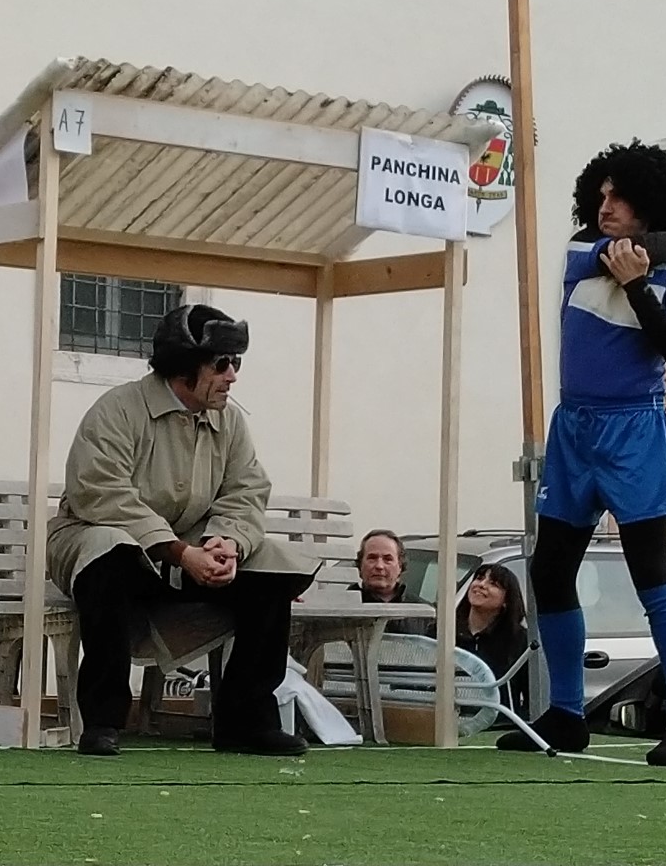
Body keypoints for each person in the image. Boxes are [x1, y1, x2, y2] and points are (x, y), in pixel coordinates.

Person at [497, 140, 666, 767]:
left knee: (650, 571)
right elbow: (621, 253)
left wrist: (641, 287)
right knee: (549, 572)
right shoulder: (585, 248)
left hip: (634, 428)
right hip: (574, 427)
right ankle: (567, 712)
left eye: (619, 197)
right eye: (600, 195)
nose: (605, 207)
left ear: (648, 202)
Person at [48, 304, 319, 757]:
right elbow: (101, 493)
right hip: (96, 540)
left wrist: (226, 543)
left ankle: (245, 723)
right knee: (110, 549)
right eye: (222, 364)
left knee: (273, 566)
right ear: (183, 367)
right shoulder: (117, 409)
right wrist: (177, 552)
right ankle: (103, 722)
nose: (233, 376)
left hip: (187, 552)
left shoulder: (230, 421)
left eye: (236, 362)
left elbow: (246, 491)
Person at [432, 563, 530, 712]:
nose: (482, 584)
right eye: (479, 578)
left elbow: (532, 698)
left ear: (507, 600)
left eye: (493, 584)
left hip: (499, 722)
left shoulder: (520, 640)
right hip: (446, 718)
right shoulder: (440, 631)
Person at [353, 529, 422, 634]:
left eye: (387, 559)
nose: (379, 566)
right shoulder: (342, 608)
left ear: (400, 566)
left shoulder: (423, 614)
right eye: (372, 558)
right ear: (360, 565)